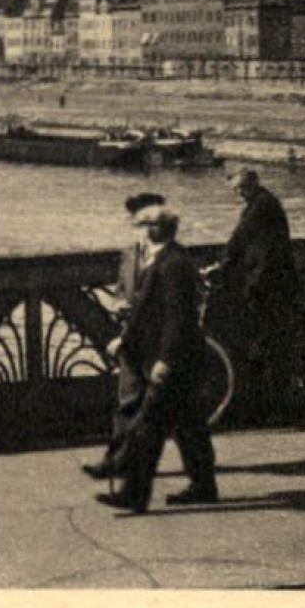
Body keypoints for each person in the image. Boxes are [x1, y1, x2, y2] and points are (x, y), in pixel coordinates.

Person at [94, 204, 216, 512]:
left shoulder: (171, 264)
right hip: (177, 357)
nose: (145, 230)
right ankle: (202, 486)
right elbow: (146, 311)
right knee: (188, 426)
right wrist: (125, 339)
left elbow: (178, 318)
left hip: (175, 359)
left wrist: (166, 359)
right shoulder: (167, 259)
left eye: (151, 225)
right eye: (144, 224)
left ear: (164, 229)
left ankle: (128, 484)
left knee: (150, 425)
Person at [81, 192, 166, 482]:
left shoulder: (171, 257)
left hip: (159, 341)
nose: (142, 226)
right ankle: (116, 462)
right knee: (129, 401)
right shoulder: (130, 252)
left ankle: (202, 479)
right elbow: (121, 288)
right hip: (133, 336)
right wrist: (118, 304)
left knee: (180, 416)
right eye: (138, 220)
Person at [208, 169, 301, 373]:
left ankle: (268, 366)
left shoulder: (263, 203)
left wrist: (221, 264)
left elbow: (241, 236)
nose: (240, 192)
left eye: (243, 187)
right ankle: (263, 361)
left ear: (255, 183)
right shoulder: (256, 203)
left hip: (271, 273)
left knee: (259, 316)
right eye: (236, 189)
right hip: (262, 269)